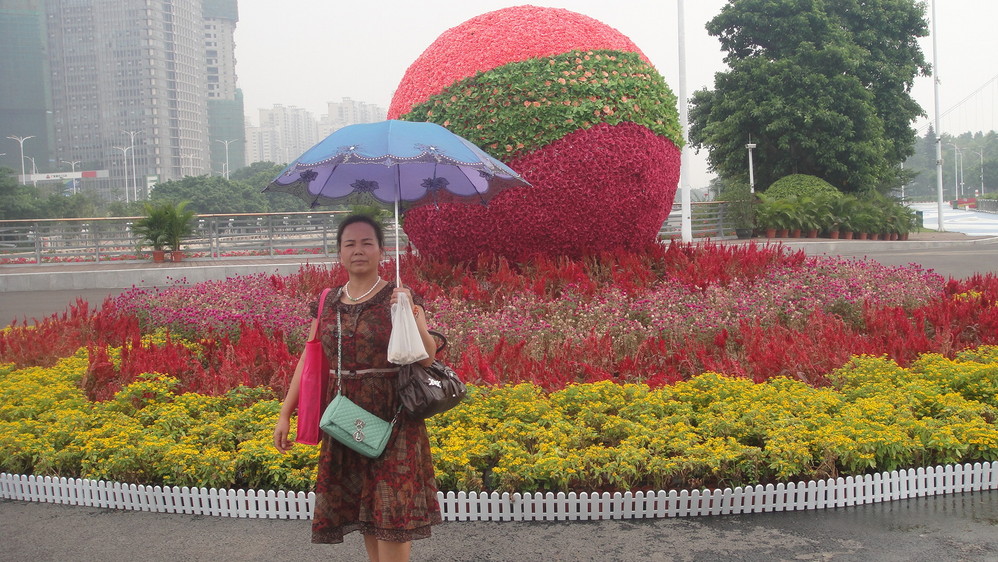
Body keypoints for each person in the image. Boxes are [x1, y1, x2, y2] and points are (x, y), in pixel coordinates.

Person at [273, 214, 441, 562]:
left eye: (367, 243)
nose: (358, 250)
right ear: (340, 252)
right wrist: (286, 413)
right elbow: (309, 360)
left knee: (391, 511)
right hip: (346, 417)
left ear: (382, 251)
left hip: (394, 416)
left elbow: (428, 357)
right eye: (350, 244)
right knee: (368, 511)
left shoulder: (400, 296)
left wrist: (409, 313)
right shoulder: (328, 301)